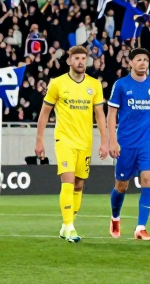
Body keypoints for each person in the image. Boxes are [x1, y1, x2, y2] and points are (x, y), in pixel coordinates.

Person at [34, 45, 109, 243]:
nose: (80, 62)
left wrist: (105, 141)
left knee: (79, 184)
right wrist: (39, 139)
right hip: (64, 140)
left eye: (83, 58)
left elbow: (100, 115)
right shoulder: (57, 84)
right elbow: (44, 113)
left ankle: (67, 224)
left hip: (85, 142)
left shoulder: (95, 85)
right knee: (67, 180)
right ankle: (70, 227)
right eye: (76, 58)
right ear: (69, 61)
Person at [107, 48, 150, 240]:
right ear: (131, 63)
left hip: (146, 142)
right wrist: (113, 141)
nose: (143, 63)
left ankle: (140, 228)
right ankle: (115, 217)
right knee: (121, 186)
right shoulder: (121, 85)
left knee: (148, 179)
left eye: (146, 59)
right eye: (139, 60)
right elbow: (111, 115)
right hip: (125, 142)